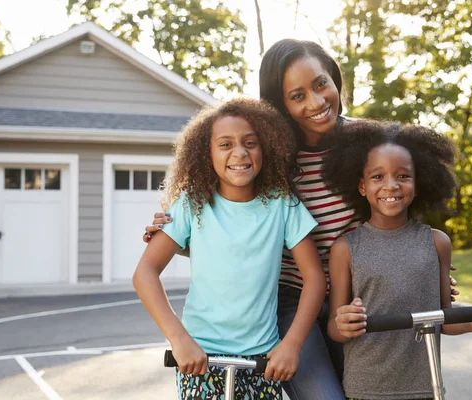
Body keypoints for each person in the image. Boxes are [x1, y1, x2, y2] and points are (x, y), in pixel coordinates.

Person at [143, 39, 460, 400]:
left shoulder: (370, 145)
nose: (316, 102)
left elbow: (399, 215)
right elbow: (235, 226)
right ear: (281, 104)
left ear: (334, 78)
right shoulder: (271, 155)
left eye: (321, 84)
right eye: (297, 96)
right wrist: (178, 237)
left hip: (363, 298)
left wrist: (424, 272)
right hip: (293, 303)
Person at [133, 97, 329, 400]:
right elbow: (145, 273)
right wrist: (179, 339)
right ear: (206, 154)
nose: (240, 152)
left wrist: (291, 345)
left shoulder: (283, 204)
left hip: (263, 360)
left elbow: (314, 277)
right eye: (225, 145)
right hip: (200, 358)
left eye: (250, 143)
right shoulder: (191, 205)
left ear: (266, 148)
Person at [324, 119, 472, 400]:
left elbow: (445, 318)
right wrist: (343, 323)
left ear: (419, 182)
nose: (390, 185)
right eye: (377, 177)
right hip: (365, 388)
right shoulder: (345, 248)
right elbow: (334, 327)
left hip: (427, 387)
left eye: (402, 176)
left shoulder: (437, 243)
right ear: (362, 186)